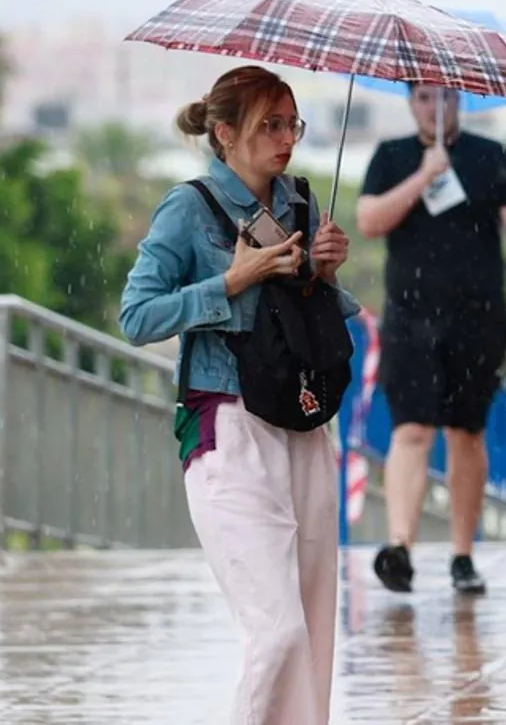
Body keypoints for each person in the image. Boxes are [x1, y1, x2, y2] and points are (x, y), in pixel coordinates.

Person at [119, 65, 359, 725]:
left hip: (304, 421)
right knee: (276, 629)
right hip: (224, 420)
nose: (285, 139)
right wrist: (230, 281)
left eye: (291, 124)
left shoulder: (300, 202)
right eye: (269, 125)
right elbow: (136, 316)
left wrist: (322, 270)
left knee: (312, 625)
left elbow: (308, 315)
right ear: (224, 133)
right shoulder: (188, 207)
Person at [356, 85, 506, 596]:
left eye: (445, 97)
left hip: (477, 318)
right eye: (425, 97)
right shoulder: (392, 156)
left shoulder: (489, 156)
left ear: (460, 102)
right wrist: (424, 176)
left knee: (464, 432)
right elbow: (369, 221)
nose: (435, 107)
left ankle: (462, 554)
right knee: (412, 429)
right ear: (411, 102)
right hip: (409, 318)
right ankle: (400, 546)